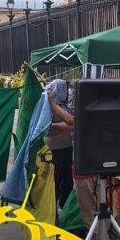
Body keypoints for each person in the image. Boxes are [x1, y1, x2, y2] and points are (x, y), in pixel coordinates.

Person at [44, 80, 74, 209]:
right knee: (55, 180)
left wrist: (53, 126)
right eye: (62, 88)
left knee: (67, 180)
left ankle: (64, 207)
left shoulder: (64, 105)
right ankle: (52, 210)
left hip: (67, 147)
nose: (66, 91)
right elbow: (70, 122)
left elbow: (72, 123)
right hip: (53, 149)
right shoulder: (47, 106)